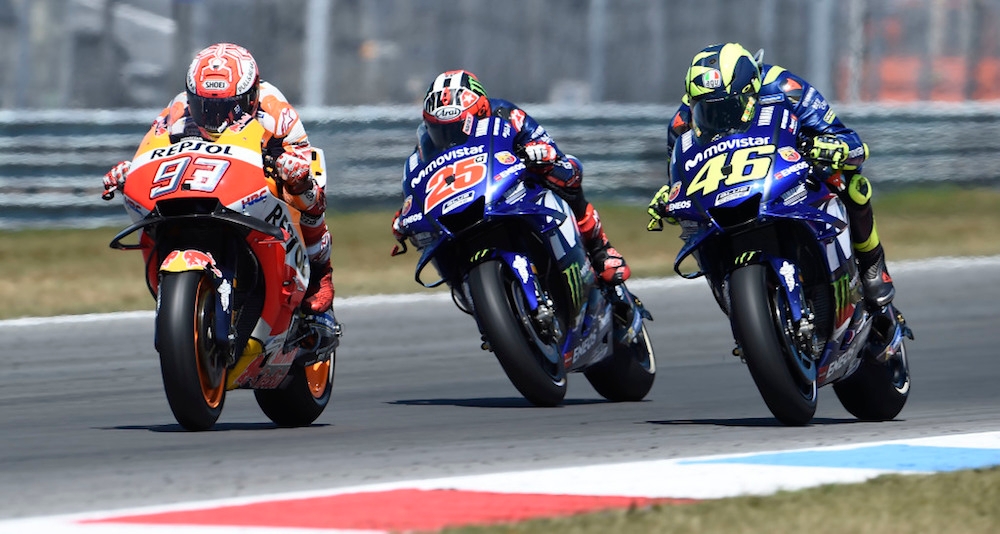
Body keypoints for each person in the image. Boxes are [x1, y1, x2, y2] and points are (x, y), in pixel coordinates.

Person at [647, 42, 894, 307]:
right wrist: (668, 196)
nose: (720, 116)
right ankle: (734, 298)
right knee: (694, 228)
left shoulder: (786, 87)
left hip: (788, 174)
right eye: (707, 110)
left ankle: (872, 263)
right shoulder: (682, 121)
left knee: (850, 183)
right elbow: (679, 176)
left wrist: (834, 147)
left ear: (751, 89)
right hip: (725, 193)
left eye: (729, 106)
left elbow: (847, 140)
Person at [101, 42, 335, 314]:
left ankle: (320, 273)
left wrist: (294, 170)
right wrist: (132, 171)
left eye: (226, 107)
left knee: (308, 195)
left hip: (259, 181)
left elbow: (303, 159)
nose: (214, 117)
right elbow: (155, 147)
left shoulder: (277, 112)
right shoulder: (178, 109)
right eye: (204, 106)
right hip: (205, 183)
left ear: (251, 97)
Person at [391, 69, 630, 285]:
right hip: (463, 207)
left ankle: (600, 248)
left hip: (514, 188)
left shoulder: (507, 114)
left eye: (455, 128)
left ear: (480, 111)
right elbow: (414, 190)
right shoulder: (421, 152)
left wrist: (541, 152)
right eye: (440, 129)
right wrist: (406, 214)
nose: (448, 137)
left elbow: (546, 145)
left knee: (566, 173)